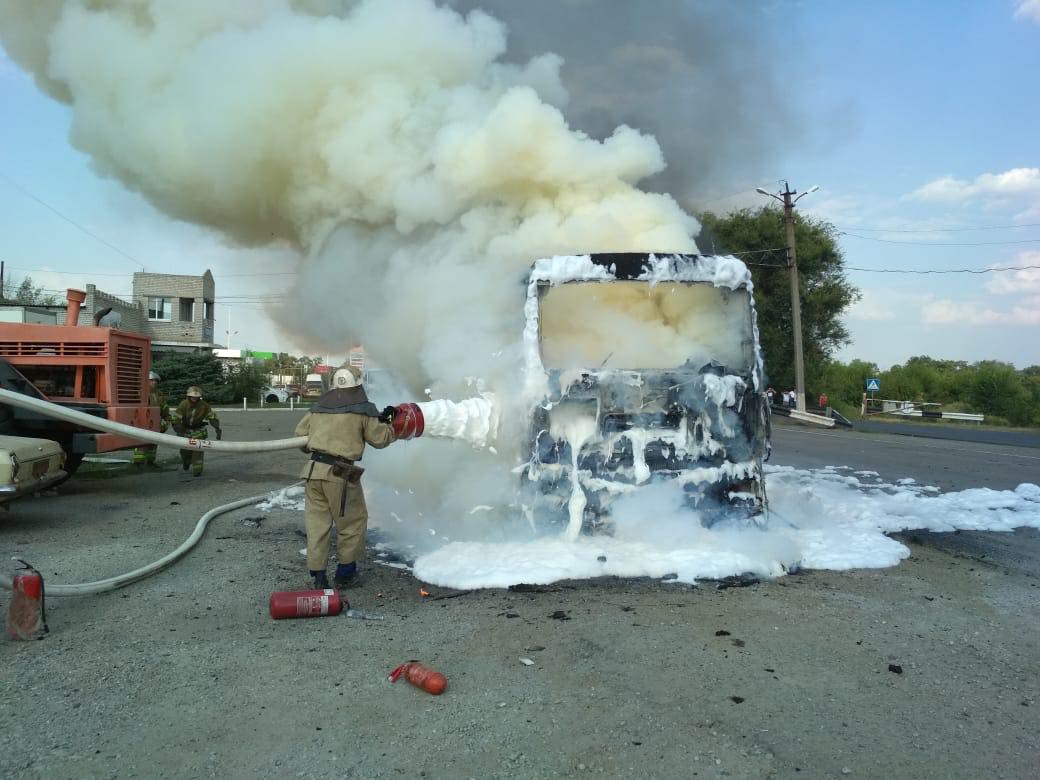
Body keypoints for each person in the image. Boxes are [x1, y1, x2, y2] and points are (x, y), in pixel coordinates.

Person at [294, 364, 397, 590]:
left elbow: (300, 436)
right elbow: (380, 440)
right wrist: (390, 423)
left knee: (317, 525)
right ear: (358, 384)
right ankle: (345, 574)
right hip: (339, 474)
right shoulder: (363, 409)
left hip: (313, 471)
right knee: (351, 522)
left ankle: (319, 576)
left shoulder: (319, 407)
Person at [171, 386, 221, 476]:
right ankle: (186, 462)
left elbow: (212, 417)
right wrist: (178, 429)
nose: (194, 399)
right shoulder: (183, 404)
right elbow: (176, 418)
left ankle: (197, 471)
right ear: (188, 396)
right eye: (192, 397)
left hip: (199, 431)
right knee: (185, 451)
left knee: (198, 451)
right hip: (185, 430)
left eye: (196, 397)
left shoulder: (204, 405)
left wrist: (217, 427)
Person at [132, 370, 171, 468]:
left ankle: (150, 462)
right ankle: (138, 463)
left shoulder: (158, 394)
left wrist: (166, 419)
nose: (154, 383)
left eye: (155, 381)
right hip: (143, 422)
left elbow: (164, 407)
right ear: (146, 381)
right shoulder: (140, 393)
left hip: (155, 423)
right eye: (152, 380)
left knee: (154, 442)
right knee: (141, 442)